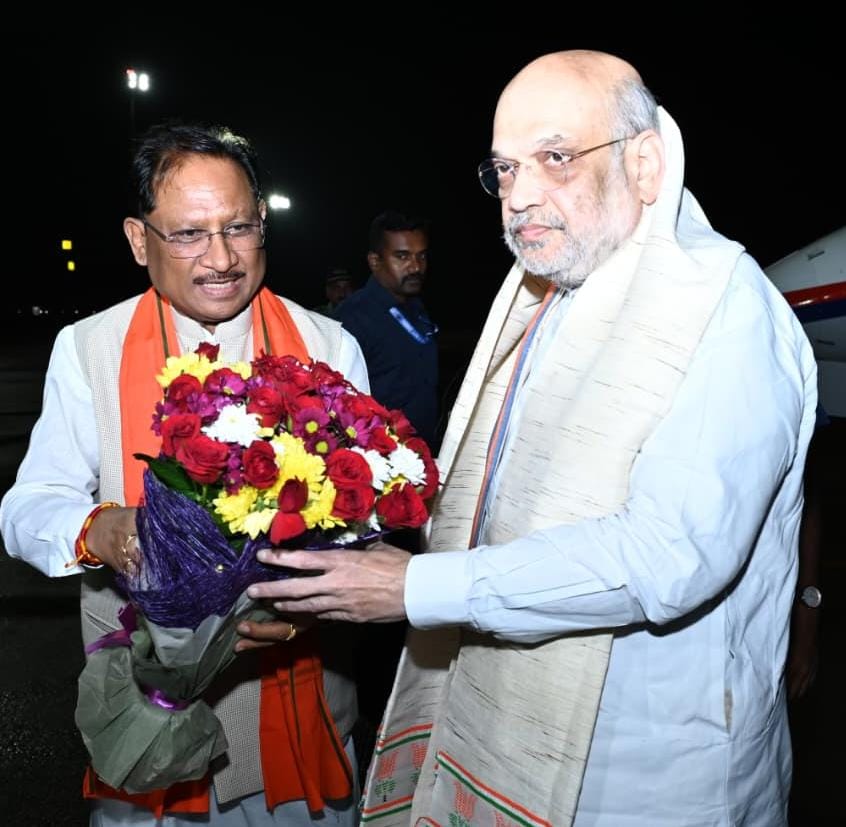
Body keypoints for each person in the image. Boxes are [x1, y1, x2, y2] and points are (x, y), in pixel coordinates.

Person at [246, 50, 818, 826]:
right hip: (510, 733)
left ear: (644, 164)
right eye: (506, 169)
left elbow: (668, 557)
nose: (519, 197)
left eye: (555, 158)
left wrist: (415, 588)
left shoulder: (725, 310)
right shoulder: (546, 301)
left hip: (649, 776)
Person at [0, 122, 369, 826]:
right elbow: (28, 506)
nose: (221, 258)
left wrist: (309, 607)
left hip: (297, 721)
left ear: (263, 226)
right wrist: (99, 531)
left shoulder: (330, 345)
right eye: (189, 235)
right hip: (148, 730)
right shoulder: (89, 348)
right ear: (139, 241)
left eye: (239, 228)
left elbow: (362, 523)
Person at [334, 210, 439, 451]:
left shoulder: (416, 307)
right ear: (375, 261)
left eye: (421, 256)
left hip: (424, 452)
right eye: (402, 256)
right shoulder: (353, 318)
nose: (416, 267)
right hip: (382, 459)